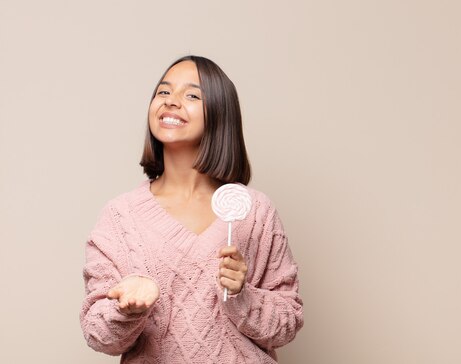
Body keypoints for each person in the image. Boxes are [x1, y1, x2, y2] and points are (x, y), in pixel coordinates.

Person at [80, 55, 303, 363]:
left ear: (220, 114)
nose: (171, 102)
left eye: (192, 95)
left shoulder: (256, 212)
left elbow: (287, 323)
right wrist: (125, 309)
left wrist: (242, 294)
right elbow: (97, 334)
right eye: (163, 92)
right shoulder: (120, 216)